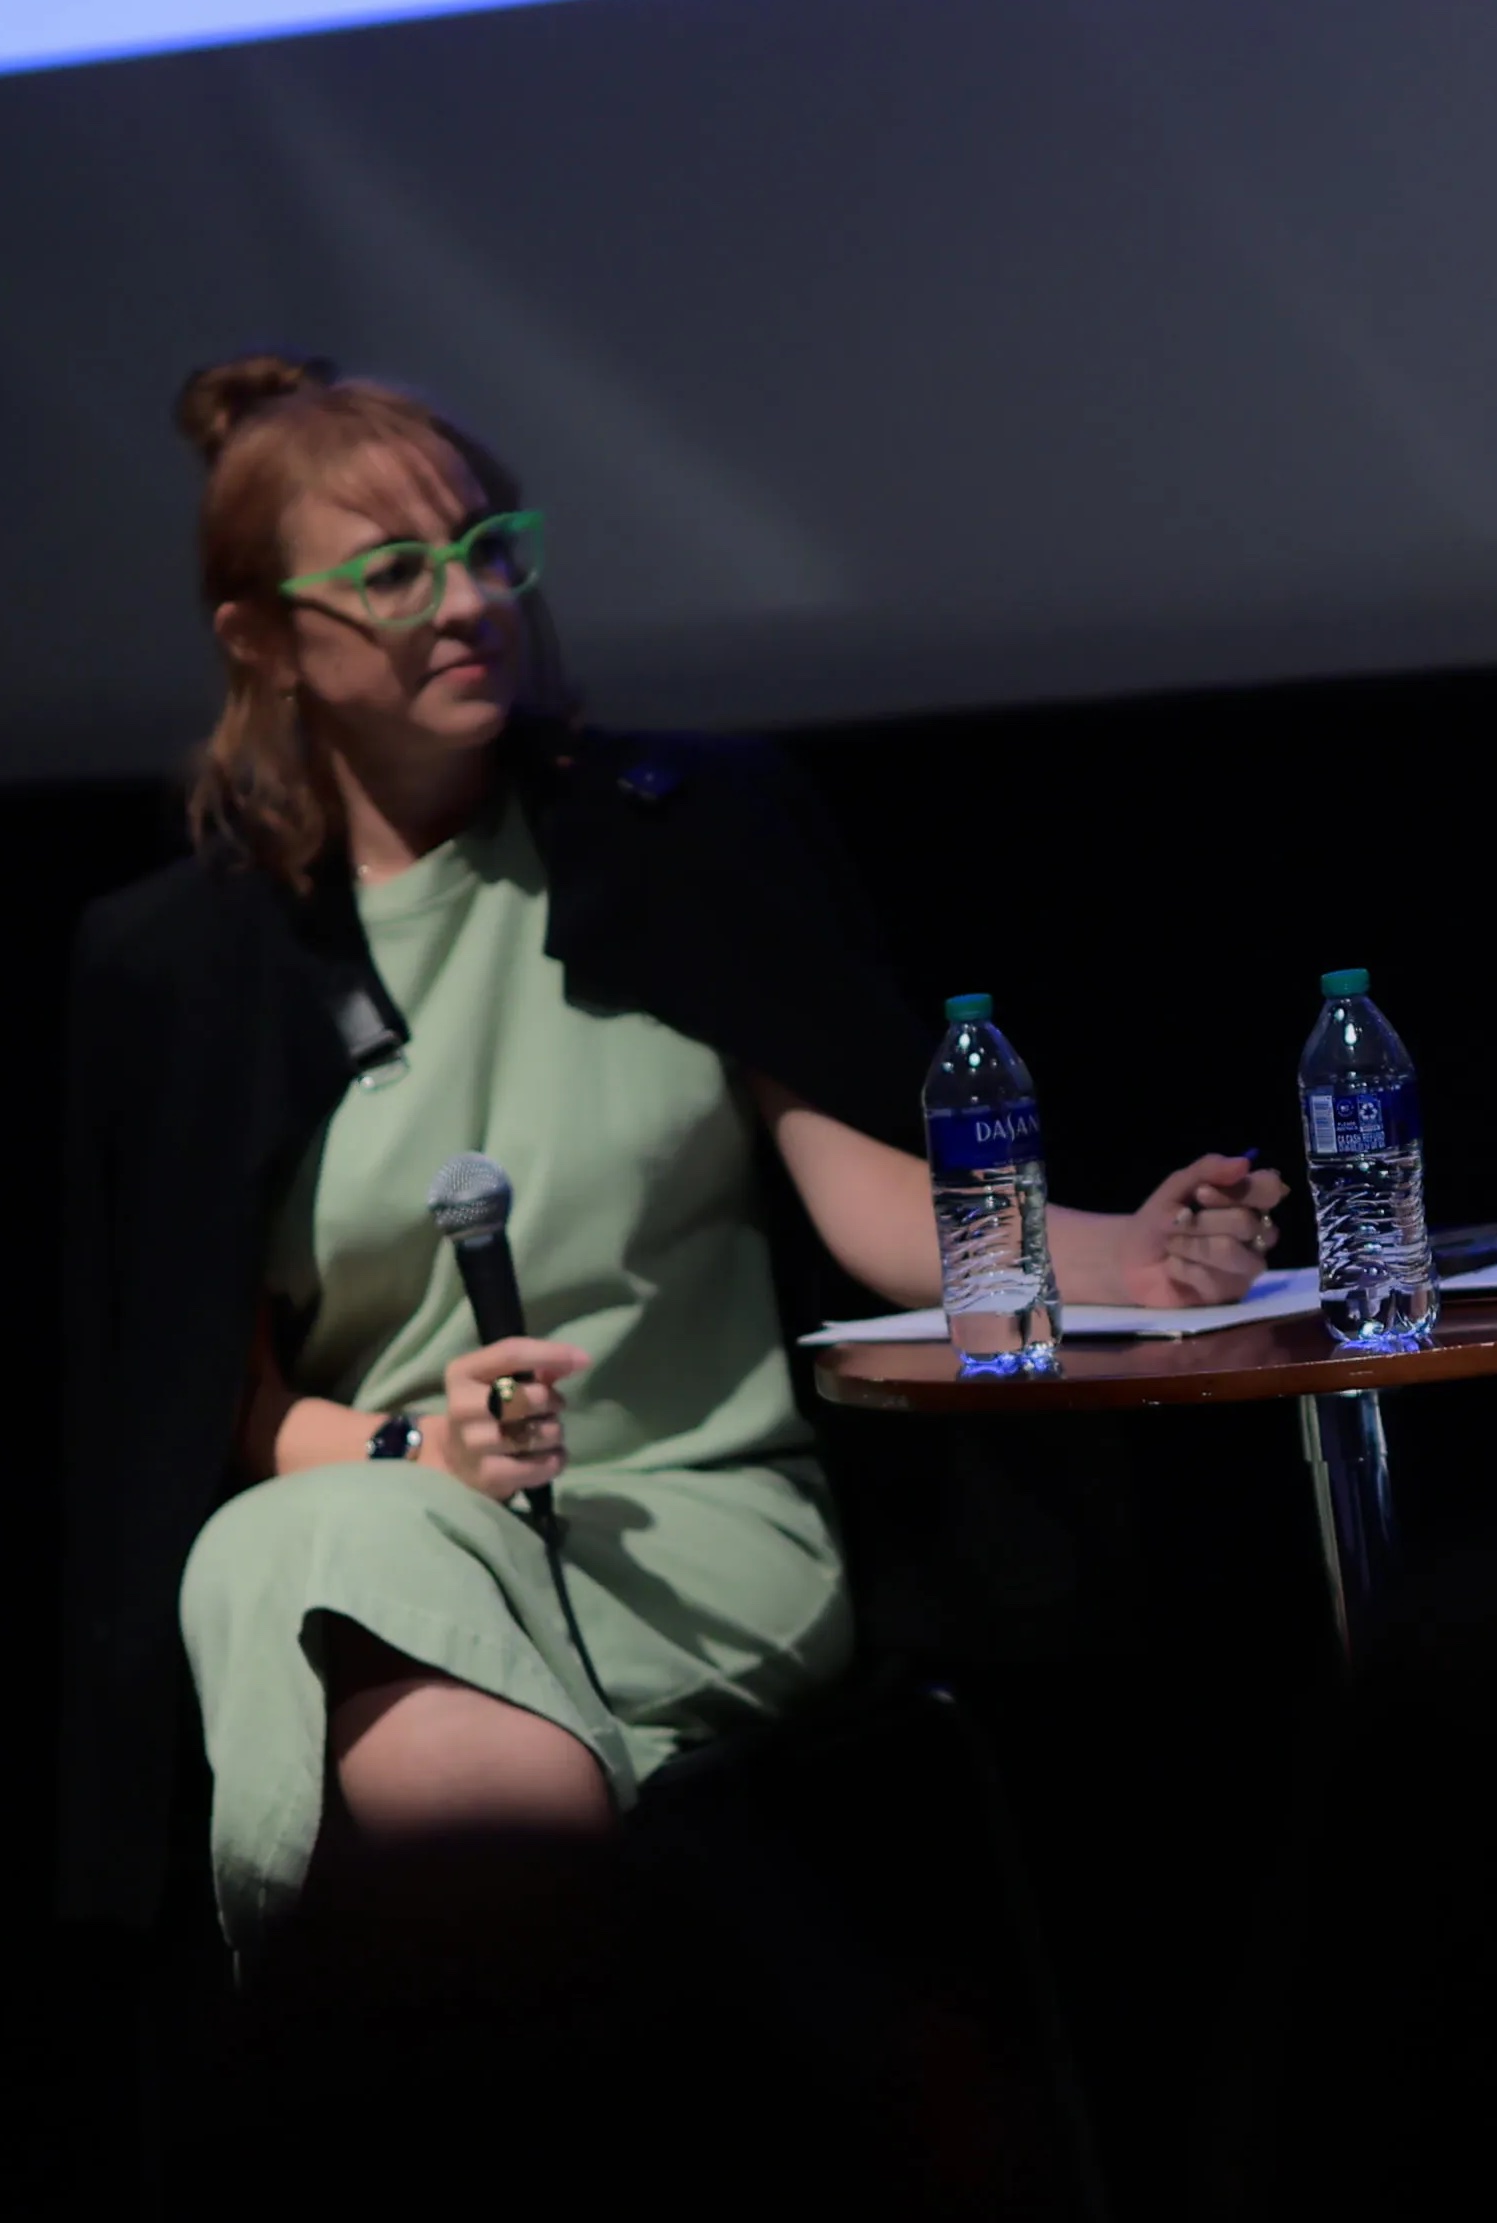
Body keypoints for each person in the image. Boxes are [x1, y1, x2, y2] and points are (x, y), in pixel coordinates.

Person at [59, 353, 1289, 1948]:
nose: (470, 600)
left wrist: (1125, 1250)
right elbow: (200, 1402)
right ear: (263, 640)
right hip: (378, 1511)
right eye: (395, 573)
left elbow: (868, 1196)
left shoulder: (682, 831)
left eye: (493, 546)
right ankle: (598, 2051)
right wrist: (419, 1459)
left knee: (318, 1613)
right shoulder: (177, 964)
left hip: (684, 1522)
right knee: (313, 1552)